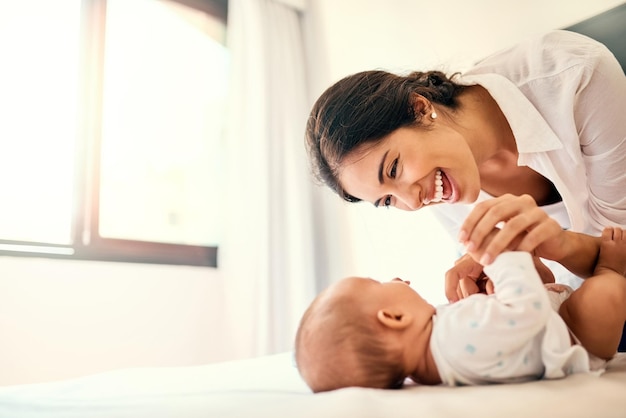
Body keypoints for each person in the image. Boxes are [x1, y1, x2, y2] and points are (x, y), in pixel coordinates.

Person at [304, 29, 626, 347]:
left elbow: (618, 251)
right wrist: (510, 282)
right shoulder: (443, 183)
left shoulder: (574, 76)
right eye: (387, 200)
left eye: (393, 169)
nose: (413, 201)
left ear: (419, 108)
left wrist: (557, 246)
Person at [294, 227, 626, 392]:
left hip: (545, 319)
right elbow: (527, 316)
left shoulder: (435, 360)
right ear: (394, 318)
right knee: (605, 295)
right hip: (573, 333)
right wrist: (500, 256)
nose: (395, 279)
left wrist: (482, 302)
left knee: (533, 279)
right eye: (379, 284)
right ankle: (613, 269)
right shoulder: (450, 338)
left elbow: (493, 337)